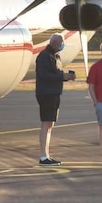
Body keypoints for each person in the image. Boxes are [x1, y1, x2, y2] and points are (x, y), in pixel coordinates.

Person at [35, 33, 76, 166]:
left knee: (50, 124)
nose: (63, 45)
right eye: (61, 42)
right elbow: (44, 75)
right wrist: (61, 76)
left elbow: (55, 74)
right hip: (46, 94)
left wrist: (66, 77)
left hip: (54, 93)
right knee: (46, 123)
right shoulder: (44, 56)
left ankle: (46, 154)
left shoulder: (56, 56)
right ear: (56, 43)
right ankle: (43, 156)